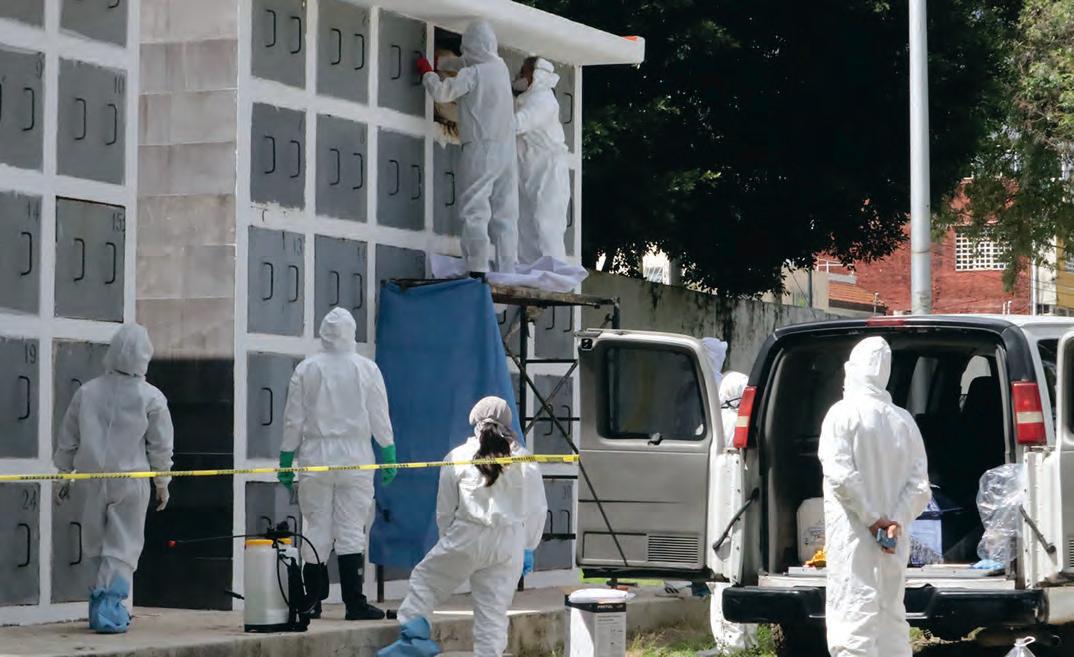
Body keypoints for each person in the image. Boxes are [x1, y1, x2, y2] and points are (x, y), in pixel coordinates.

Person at [378, 397, 548, 657]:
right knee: (492, 614)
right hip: (509, 542)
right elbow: (537, 509)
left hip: (468, 535)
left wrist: (449, 542)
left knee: (425, 581)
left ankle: (413, 640)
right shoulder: (525, 460)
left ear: (475, 423)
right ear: (508, 424)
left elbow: (445, 511)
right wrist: (527, 546)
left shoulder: (457, 456)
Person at [54, 324, 174, 634]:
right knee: (123, 547)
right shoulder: (151, 397)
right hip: (131, 482)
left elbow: (68, 438)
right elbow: (161, 447)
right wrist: (162, 483)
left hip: (91, 479)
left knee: (94, 545)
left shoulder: (87, 392)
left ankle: (100, 607)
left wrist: (63, 475)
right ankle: (108, 610)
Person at [279, 307, 397, 621]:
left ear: (323, 333)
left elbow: (293, 419)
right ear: (351, 333)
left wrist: (286, 458)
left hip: (316, 456)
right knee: (351, 529)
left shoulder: (307, 369)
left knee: (316, 526)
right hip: (355, 457)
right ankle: (355, 604)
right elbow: (379, 415)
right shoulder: (367, 369)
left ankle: (312, 602)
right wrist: (388, 453)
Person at [818, 336, 931, 657]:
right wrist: (894, 522)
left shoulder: (842, 415)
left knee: (853, 620)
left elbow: (841, 477)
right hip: (893, 540)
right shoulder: (904, 421)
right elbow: (920, 487)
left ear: (853, 369)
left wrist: (872, 520)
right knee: (891, 618)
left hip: (854, 537)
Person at [417, 21, 519, 275]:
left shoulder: (473, 74)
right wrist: (444, 62)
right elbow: (467, 62)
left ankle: (477, 267)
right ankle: (508, 270)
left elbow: (442, 93)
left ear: (471, 47)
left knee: (475, 209)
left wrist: (428, 73)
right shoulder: (500, 67)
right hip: (507, 150)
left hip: (481, 148)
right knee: (505, 215)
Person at [702, 371, 759, 654]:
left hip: (720, 509)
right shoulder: (751, 424)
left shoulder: (715, 424)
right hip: (747, 507)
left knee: (721, 575)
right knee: (746, 571)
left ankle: (729, 643)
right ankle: (749, 640)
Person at [513, 56, 569, 265]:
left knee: (547, 225)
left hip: (548, 170)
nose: (520, 76)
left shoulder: (544, 101)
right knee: (526, 225)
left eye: (524, 72)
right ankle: (532, 273)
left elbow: (519, 123)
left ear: (536, 75)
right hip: (531, 169)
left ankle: (553, 276)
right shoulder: (528, 99)